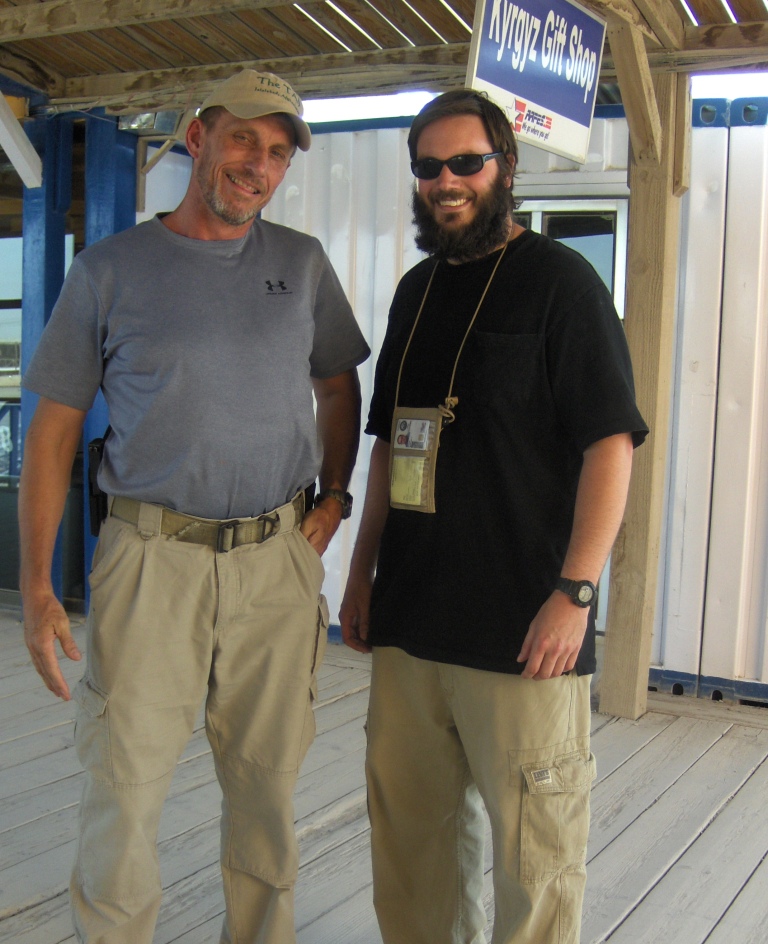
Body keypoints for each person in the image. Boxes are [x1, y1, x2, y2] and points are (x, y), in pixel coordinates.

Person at [19, 69, 370, 944]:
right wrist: (35, 584)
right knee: (124, 793)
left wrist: (335, 498)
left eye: (280, 151)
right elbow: (54, 429)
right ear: (196, 136)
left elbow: (339, 383)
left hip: (275, 566)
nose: (261, 164)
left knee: (267, 791)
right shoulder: (109, 270)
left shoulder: (302, 264)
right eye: (246, 139)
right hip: (150, 561)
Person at [340, 89, 648, 944]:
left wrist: (575, 593)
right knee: (409, 850)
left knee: (535, 862)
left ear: (505, 168)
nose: (447, 182)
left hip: (525, 630)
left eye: (466, 163)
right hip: (408, 623)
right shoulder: (415, 291)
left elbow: (610, 444)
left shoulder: (563, 284)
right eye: (429, 167)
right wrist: (361, 573)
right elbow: (387, 446)